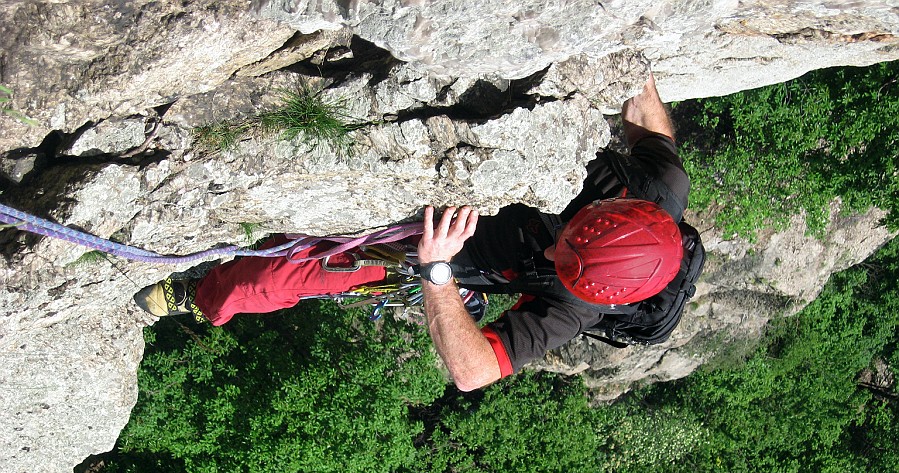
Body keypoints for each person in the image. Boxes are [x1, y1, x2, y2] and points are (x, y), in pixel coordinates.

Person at [135, 72, 690, 391]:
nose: (550, 246)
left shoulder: (575, 307)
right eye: (568, 237)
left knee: (272, 278)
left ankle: (199, 294)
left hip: (434, 249)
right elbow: (647, 118)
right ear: (609, 212)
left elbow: (473, 373)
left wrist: (438, 269)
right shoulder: (658, 186)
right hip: (477, 181)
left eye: (560, 258)